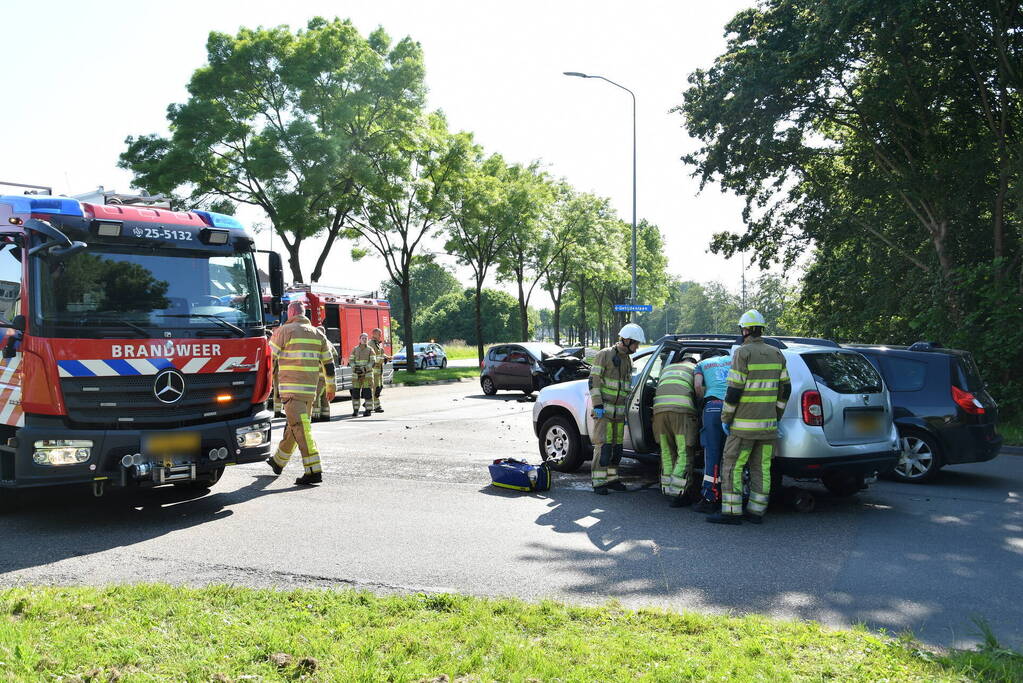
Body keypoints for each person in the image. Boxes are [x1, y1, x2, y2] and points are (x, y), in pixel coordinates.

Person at [708, 310, 791, 525]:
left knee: (733, 465)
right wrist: (777, 415)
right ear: (761, 329)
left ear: (745, 330)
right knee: (761, 468)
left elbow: (734, 390)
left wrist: (726, 418)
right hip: (768, 428)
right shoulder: (777, 354)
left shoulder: (742, 353)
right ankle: (756, 511)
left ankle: (731, 512)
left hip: (743, 428)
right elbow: (786, 389)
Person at [267, 301, 336, 485]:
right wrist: (331, 387)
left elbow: (268, 360)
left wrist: (264, 385)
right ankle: (278, 461)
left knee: (301, 429)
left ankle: (314, 470)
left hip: (291, 391)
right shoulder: (317, 333)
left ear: (290, 313)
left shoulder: (283, 331)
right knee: (294, 427)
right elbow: (329, 365)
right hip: (309, 393)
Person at [588, 323, 645, 495]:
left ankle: (612, 478)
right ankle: (598, 482)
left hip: (619, 412)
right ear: (626, 340)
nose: (637, 347)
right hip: (604, 410)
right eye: (636, 344)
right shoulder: (604, 355)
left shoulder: (628, 359)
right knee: (603, 446)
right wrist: (597, 404)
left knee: (616, 448)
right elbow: (594, 380)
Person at [652, 354, 699, 507]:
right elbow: (699, 391)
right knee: (684, 452)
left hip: (659, 414)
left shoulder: (667, 368)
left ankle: (667, 489)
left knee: (666, 451)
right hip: (681, 414)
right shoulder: (695, 369)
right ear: (693, 362)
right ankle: (680, 493)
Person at [693, 349, 732, 514]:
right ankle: (732, 495)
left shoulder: (701, 364)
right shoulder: (732, 359)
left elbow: (697, 386)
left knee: (712, 453)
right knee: (731, 454)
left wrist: (701, 401)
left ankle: (710, 497)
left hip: (713, 407)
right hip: (734, 408)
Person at [310, 326, 338, 422]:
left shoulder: (317, 343)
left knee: (316, 395)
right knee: (325, 397)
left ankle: (315, 416)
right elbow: (335, 355)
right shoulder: (329, 343)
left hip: (318, 374)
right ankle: (326, 416)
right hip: (327, 376)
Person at [349, 332, 374, 417]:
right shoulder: (355, 349)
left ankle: (368, 410)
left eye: (366, 338)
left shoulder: (370, 350)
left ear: (368, 340)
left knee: (367, 393)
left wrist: (365, 369)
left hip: (367, 375)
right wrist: (354, 368)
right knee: (355, 393)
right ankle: (355, 410)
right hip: (356, 375)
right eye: (363, 338)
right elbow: (351, 360)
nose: (364, 340)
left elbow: (372, 361)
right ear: (359, 339)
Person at [369, 327, 390, 413]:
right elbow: (373, 358)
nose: (381, 335)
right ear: (374, 334)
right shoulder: (371, 344)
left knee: (379, 387)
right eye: (379, 334)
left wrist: (387, 357)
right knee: (376, 388)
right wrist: (384, 360)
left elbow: (381, 353)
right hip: (374, 370)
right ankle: (377, 406)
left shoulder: (378, 343)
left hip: (379, 370)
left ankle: (369, 402)